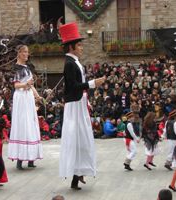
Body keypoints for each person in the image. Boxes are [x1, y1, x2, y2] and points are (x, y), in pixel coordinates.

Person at [58, 22, 105, 190]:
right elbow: (73, 86)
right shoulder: (69, 63)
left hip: (80, 103)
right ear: (71, 47)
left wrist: (87, 98)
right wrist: (93, 83)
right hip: (74, 107)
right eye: (79, 45)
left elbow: (79, 87)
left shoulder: (75, 62)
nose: (81, 47)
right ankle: (75, 174)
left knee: (82, 139)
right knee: (76, 139)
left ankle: (78, 174)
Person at [8, 45, 43, 170]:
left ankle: (31, 158)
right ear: (19, 53)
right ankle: (20, 159)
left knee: (31, 124)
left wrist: (37, 96)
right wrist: (26, 84)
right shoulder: (15, 68)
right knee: (23, 124)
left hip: (28, 97)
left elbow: (31, 84)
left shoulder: (27, 68)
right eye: (24, 52)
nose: (27, 54)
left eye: (28, 52)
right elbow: (16, 85)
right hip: (21, 97)